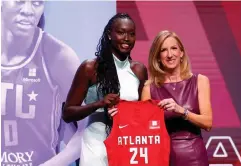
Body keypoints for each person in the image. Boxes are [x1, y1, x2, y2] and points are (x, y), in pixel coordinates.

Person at [1, 1, 82, 165]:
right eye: (19, 1)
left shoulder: (59, 56)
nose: (28, 11)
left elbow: (89, 128)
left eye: (37, 2)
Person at [62, 13, 148, 166]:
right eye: (121, 32)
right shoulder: (90, 68)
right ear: (109, 34)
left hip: (127, 146)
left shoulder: (139, 70)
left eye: (132, 33)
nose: (127, 38)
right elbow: (68, 113)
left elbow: (144, 113)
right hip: (96, 147)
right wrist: (98, 104)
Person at [141, 30, 212, 166]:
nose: (170, 55)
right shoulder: (149, 88)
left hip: (195, 157)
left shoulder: (200, 81)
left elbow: (208, 123)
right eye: (163, 50)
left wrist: (182, 111)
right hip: (162, 157)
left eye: (174, 48)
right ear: (157, 57)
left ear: (181, 53)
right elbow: (144, 129)